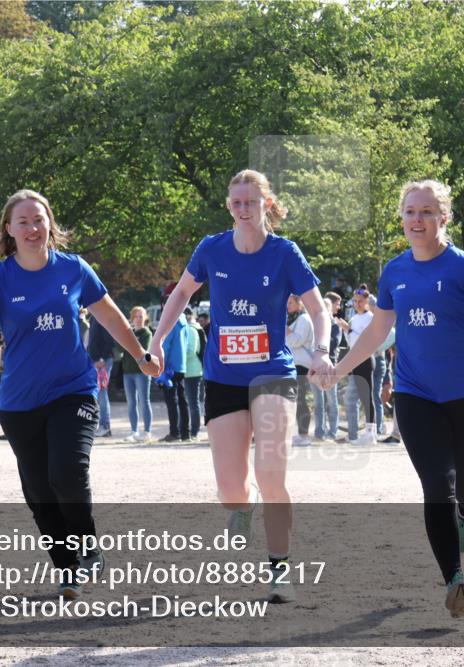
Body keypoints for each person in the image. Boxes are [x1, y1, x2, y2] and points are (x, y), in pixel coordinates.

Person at [314, 179, 464, 619]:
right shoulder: (395, 273)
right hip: (414, 394)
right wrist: (338, 369)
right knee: (435, 485)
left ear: (443, 218)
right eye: (409, 212)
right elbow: (378, 332)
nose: (416, 220)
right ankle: (455, 581)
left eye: (425, 212)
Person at [0, 189, 160, 599]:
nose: (33, 229)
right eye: (24, 222)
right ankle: (66, 567)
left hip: (74, 390)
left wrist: (140, 354)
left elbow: (109, 315)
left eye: (39, 220)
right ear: (9, 229)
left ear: (50, 224)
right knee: (39, 492)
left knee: (67, 473)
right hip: (19, 402)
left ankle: (88, 547)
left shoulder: (73, 269)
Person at [148, 169, 332, 604]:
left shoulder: (285, 253)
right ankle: (241, 507)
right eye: (236, 203)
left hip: (273, 374)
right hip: (223, 379)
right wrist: (156, 339)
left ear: (266, 204)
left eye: (251, 201)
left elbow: (318, 310)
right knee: (232, 487)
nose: (243, 209)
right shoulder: (211, 249)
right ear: (229, 206)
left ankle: (279, 569)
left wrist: (322, 351)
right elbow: (180, 295)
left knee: (272, 475)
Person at [345, 285, 377, 445]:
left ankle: (371, 432)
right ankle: (367, 432)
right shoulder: (354, 318)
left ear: (366, 301)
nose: (357, 304)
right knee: (359, 397)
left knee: (367, 395)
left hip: (365, 359)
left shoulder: (370, 317)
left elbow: (366, 340)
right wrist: (348, 330)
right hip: (355, 360)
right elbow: (351, 343)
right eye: (355, 301)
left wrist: (349, 330)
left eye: (360, 301)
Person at [121, 306, 154, 443]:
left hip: (142, 372)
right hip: (127, 372)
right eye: (136, 316)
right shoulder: (129, 333)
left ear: (145, 318)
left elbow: (142, 350)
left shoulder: (146, 333)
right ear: (132, 318)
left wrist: (130, 341)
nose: (139, 319)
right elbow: (120, 347)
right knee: (131, 403)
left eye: (141, 316)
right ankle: (134, 431)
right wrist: (128, 337)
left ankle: (147, 431)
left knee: (144, 401)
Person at [313, 294, 343, 442]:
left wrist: (321, 340)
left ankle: (333, 432)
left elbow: (334, 343)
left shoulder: (335, 326)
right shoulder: (314, 326)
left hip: (331, 366)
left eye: (325, 308)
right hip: (317, 368)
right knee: (318, 402)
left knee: (332, 401)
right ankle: (319, 432)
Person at [286, 294, 314, 446]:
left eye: (290, 302)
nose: (287, 305)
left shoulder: (303, 319)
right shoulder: (293, 318)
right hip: (293, 363)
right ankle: (300, 433)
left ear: (298, 303)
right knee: (296, 399)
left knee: (301, 399)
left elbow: (298, 341)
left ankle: (304, 434)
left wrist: (288, 332)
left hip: (301, 364)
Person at [159, 306, 190, 442]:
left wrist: (161, 365)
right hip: (181, 366)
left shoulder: (170, 322)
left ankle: (174, 433)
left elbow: (165, 346)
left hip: (170, 367)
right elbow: (187, 345)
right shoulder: (185, 323)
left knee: (172, 401)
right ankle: (185, 433)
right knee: (183, 400)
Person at [87, 312, 116, 438]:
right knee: (98, 395)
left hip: (102, 361)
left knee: (102, 394)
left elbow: (109, 340)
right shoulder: (93, 317)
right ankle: (101, 425)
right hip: (96, 361)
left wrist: (102, 359)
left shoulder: (102, 316)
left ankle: (105, 426)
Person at [184, 307, 205, 441]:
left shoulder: (191, 329)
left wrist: (178, 358)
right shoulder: (192, 328)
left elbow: (191, 351)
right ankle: (192, 430)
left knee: (193, 402)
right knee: (191, 402)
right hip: (189, 370)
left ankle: (195, 430)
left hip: (192, 370)